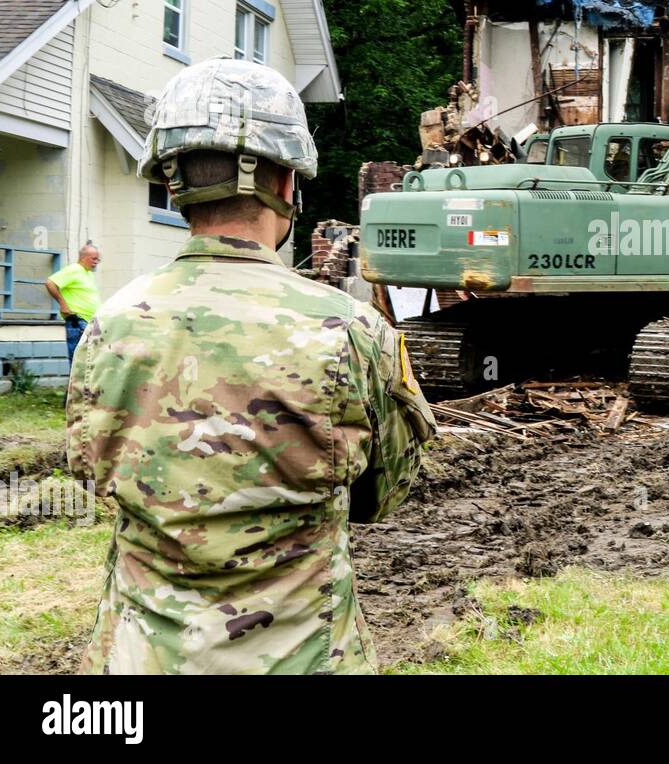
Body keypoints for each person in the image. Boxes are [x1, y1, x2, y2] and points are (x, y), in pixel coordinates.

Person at [66, 58, 435, 674]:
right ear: (288, 184)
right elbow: (384, 496)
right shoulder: (353, 330)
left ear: (173, 182)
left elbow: (89, 475)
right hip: (306, 655)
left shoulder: (110, 325)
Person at [45, 243, 100, 365]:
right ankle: (74, 384)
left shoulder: (88, 274)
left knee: (89, 361)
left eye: (98, 259)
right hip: (77, 321)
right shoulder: (74, 269)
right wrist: (63, 304)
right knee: (78, 360)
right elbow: (50, 283)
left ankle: (83, 385)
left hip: (90, 322)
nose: (97, 262)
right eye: (94, 258)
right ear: (83, 257)